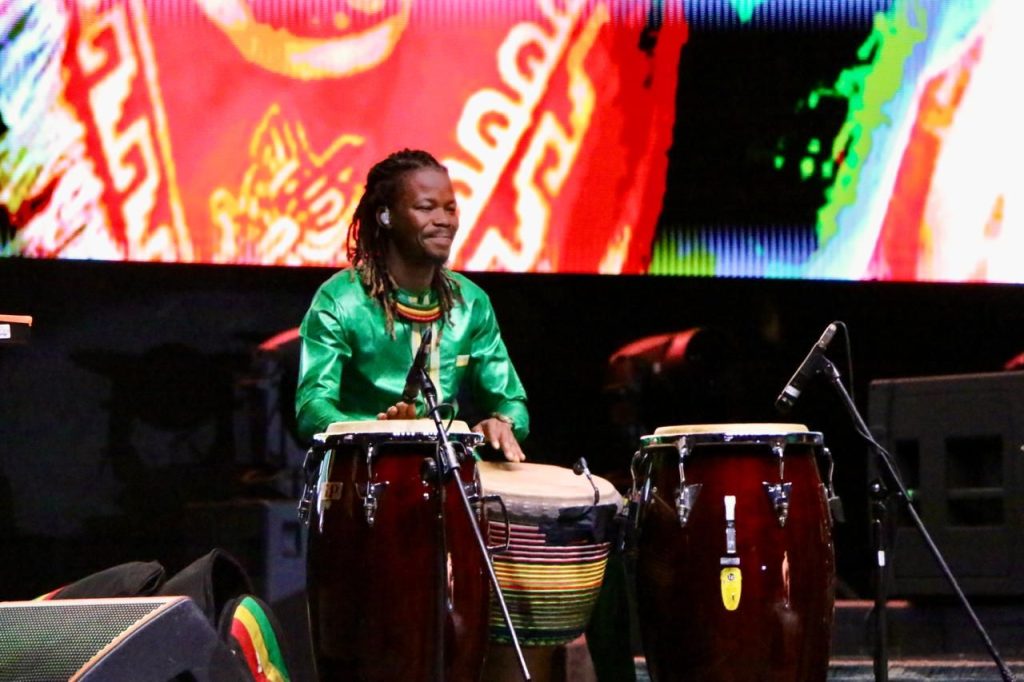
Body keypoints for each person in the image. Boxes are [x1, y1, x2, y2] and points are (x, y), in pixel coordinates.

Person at [295, 148, 528, 461]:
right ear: (386, 216)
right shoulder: (341, 299)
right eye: (426, 208)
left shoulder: (471, 303)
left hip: (450, 471)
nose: (444, 221)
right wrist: (381, 434)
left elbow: (511, 401)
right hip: (361, 472)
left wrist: (504, 423)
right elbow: (311, 409)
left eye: (450, 209)